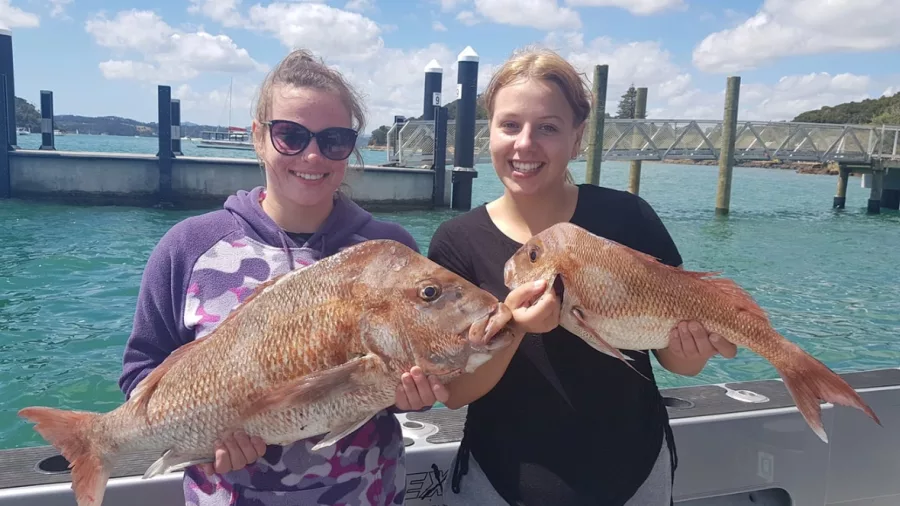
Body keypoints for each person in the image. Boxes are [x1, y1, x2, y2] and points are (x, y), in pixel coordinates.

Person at [118, 49, 445, 506]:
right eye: (290, 135)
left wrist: (417, 395)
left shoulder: (387, 254)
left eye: (333, 140)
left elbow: (399, 373)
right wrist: (203, 442)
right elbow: (142, 370)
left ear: (352, 147)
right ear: (258, 137)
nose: (312, 155)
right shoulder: (189, 246)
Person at [426, 47, 738, 506]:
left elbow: (677, 362)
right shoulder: (457, 241)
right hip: (500, 483)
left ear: (576, 139)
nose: (525, 144)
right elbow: (454, 392)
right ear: (488, 132)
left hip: (635, 478)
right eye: (509, 125)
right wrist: (513, 330)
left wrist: (693, 349)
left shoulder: (627, 217)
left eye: (548, 128)